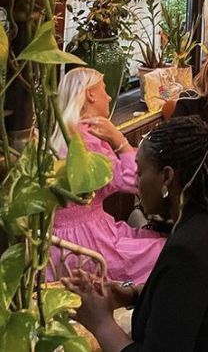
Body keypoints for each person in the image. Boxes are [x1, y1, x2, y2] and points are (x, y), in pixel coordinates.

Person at [63, 117, 208, 352]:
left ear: (166, 177)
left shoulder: (190, 247)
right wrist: (131, 293)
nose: (136, 183)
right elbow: (192, 297)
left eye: (140, 172)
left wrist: (101, 322)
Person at [49, 69, 165, 283]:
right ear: (91, 94)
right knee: (166, 250)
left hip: (59, 246)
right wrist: (119, 140)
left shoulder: (63, 134)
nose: (110, 97)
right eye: (104, 90)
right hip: (85, 246)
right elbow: (132, 181)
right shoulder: (89, 138)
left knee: (153, 238)